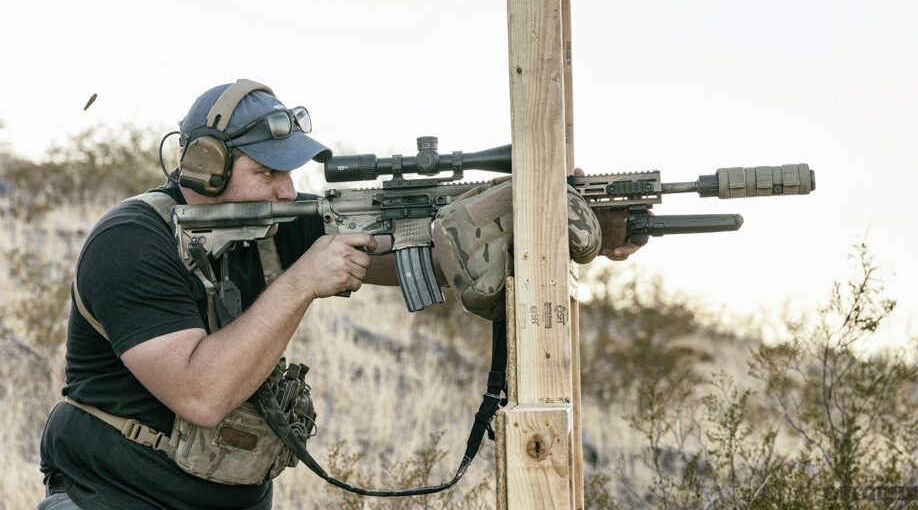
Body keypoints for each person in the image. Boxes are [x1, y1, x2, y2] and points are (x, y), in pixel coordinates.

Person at [38, 79, 640, 510]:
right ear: (205, 169)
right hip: (106, 497)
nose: (285, 191)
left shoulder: (279, 222)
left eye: (290, 173)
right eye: (267, 173)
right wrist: (302, 282)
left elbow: (424, 255)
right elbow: (202, 393)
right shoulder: (131, 244)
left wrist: (542, 221)